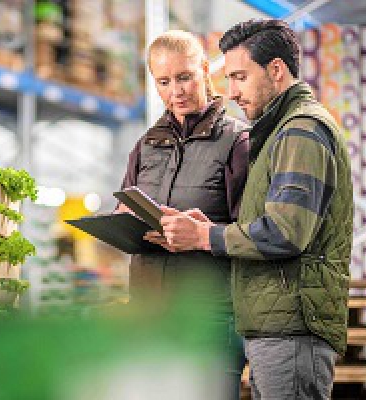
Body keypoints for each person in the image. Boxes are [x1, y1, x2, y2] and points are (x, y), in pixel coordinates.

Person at [151, 19, 353, 399]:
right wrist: (209, 225)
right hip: (277, 324)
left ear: (276, 70)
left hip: (291, 326)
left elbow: (285, 232)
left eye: (240, 77)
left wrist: (204, 236)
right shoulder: (279, 131)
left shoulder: (300, 131)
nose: (232, 92)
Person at [116, 30, 250, 399]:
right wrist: (123, 221)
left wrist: (203, 235)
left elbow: (253, 234)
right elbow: (125, 203)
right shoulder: (145, 146)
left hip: (210, 314)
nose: (176, 90)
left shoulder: (238, 142)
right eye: (164, 81)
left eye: (184, 76)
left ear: (205, 71)